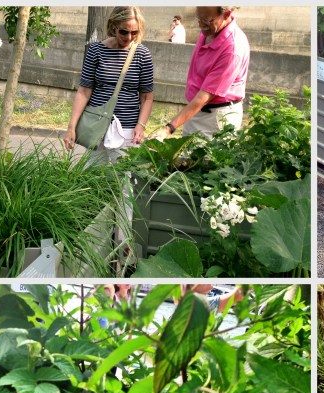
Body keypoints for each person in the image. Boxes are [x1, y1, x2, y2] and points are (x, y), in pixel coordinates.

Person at [64, 7, 154, 265]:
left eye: (134, 32)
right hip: (98, 129)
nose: (129, 37)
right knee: (90, 185)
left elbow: (147, 97)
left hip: (127, 132)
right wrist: (71, 127)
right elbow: (84, 90)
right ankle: (90, 249)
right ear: (113, 26)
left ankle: (123, 253)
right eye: (124, 31)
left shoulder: (142, 54)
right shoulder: (96, 50)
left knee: (125, 191)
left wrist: (141, 125)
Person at [157, 6, 249, 139]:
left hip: (216, 118)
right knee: (186, 152)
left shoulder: (233, 49)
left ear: (226, 14)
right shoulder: (210, 30)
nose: (201, 25)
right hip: (195, 110)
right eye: (198, 18)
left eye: (207, 20)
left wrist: (169, 128)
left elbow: (204, 97)